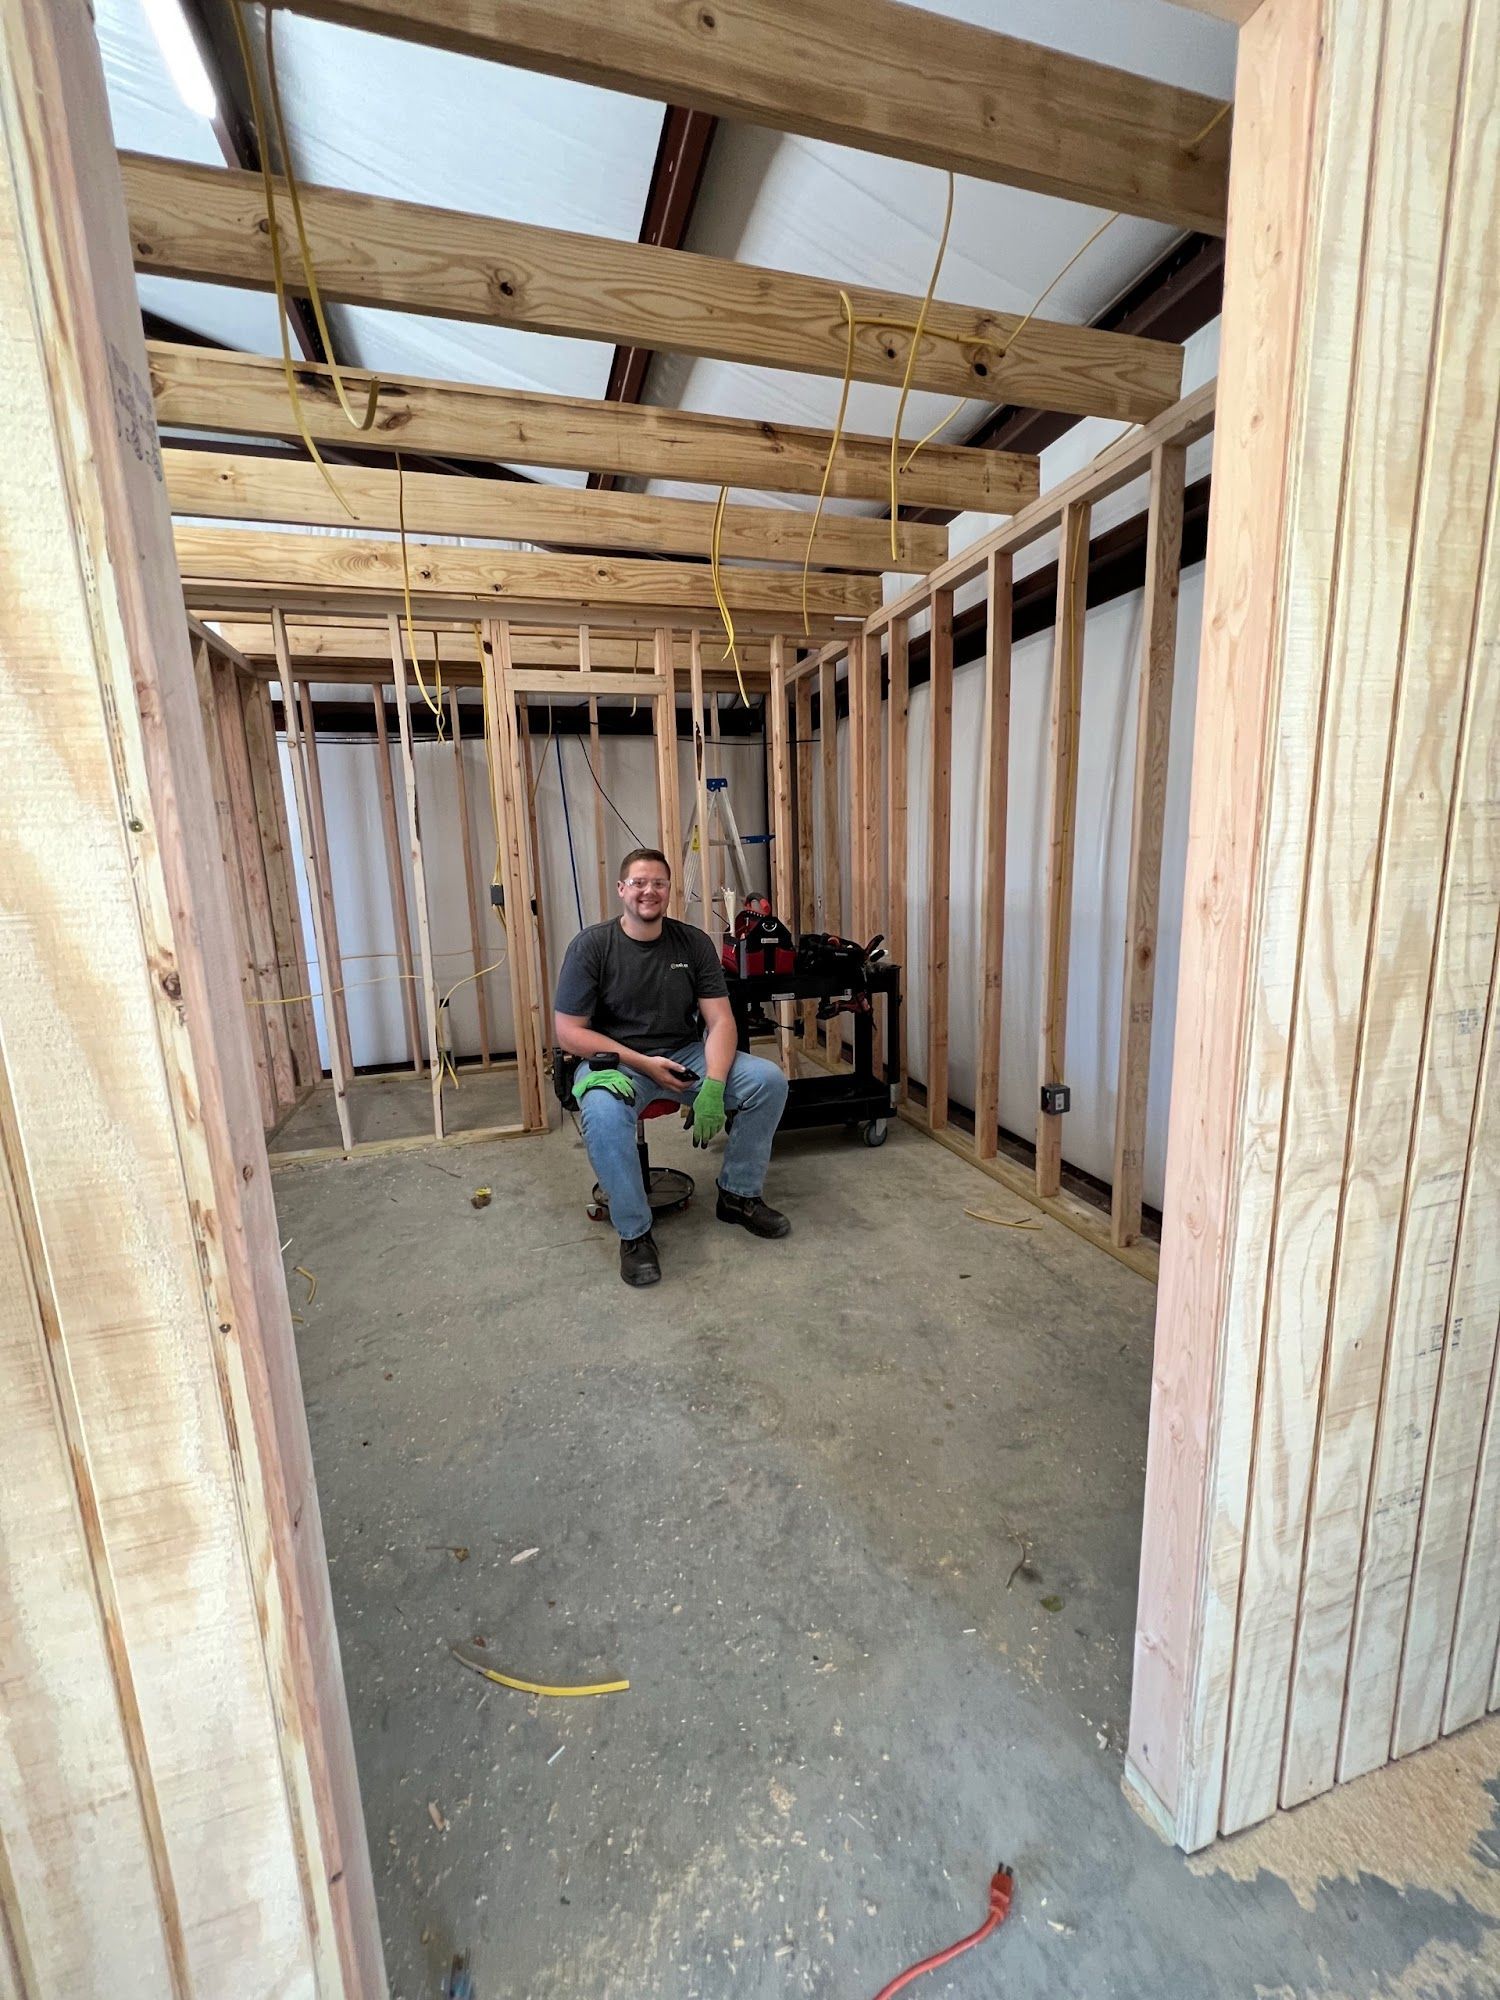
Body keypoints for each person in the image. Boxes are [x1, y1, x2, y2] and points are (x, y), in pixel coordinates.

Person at [554, 846, 791, 1287]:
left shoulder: (693, 943)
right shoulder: (592, 946)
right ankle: (635, 1232)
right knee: (603, 1113)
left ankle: (738, 1195)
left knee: (767, 1081)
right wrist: (642, 1063)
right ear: (621, 889)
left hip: (685, 1054)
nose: (649, 891)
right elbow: (569, 1032)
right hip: (618, 1061)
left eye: (658, 883)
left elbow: (721, 1022)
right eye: (639, 883)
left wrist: (715, 1085)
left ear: (668, 890)